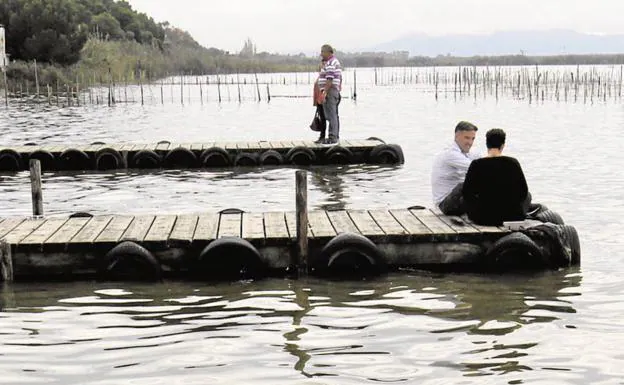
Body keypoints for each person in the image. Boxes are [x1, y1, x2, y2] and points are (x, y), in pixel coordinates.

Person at [462, 128, 532, 225]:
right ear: (502, 145)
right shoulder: (513, 163)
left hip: (483, 218)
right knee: (528, 195)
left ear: (487, 145)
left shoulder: (476, 164)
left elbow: (466, 193)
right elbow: (523, 191)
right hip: (512, 217)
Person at [431, 121, 480, 215]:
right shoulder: (450, 154)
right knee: (466, 184)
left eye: (473, 139)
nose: (470, 142)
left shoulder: (471, 153)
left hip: (458, 200)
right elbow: (478, 169)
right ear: (457, 136)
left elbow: (484, 167)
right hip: (444, 204)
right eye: (467, 138)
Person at [318, 44, 342, 145]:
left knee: (332, 115)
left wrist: (325, 92)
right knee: (331, 115)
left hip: (330, 91)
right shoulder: (330, 63)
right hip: (331, 90)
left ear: (328, 52)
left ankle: (333, 137)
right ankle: (334, 136)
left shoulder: (331, 62)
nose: (321, 54)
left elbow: (329, 79)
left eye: (323, 52)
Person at [312, 59, 327, 144]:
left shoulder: (326, 77)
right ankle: (322, 136)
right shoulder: (320, 77)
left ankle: (324, 136)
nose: (322, 66)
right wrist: (315, 102)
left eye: (324, 64)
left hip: (324, 100)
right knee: (322, 119)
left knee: (325, 118)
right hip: (319, 101)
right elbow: (316, 90)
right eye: (322, 64)